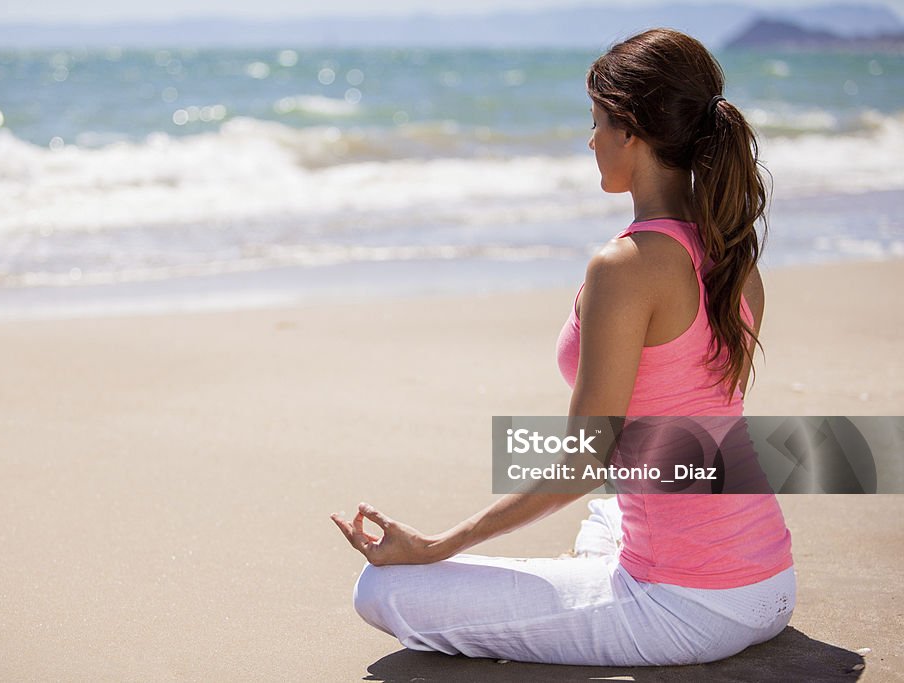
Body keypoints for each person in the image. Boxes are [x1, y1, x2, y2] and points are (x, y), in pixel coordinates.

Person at [330, 28, 794, 667]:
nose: (591, 139)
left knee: (383, 589)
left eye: (598, 121)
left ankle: (587, 588)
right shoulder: (733, 251)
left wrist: (440, 545)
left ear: (631, 132)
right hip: (770, 582)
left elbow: (583, 458)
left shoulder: (624, 266)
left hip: (687, 607)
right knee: (610, 512)